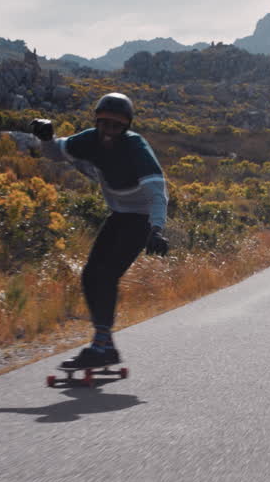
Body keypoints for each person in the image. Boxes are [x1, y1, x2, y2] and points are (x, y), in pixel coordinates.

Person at [31, 92, 169, 368]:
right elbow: (56, 152)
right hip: (119, 215)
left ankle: (102, 345)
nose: (109, 132)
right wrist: (45, 137)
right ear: (97, 122)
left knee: (106, 275)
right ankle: (104, 344)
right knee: (90, 275)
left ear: (126, 127)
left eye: (116, 126)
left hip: (141, 220)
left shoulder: (135, 147)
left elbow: (157, 191)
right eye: (104, 124)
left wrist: (156, 229)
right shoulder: (89, 139)